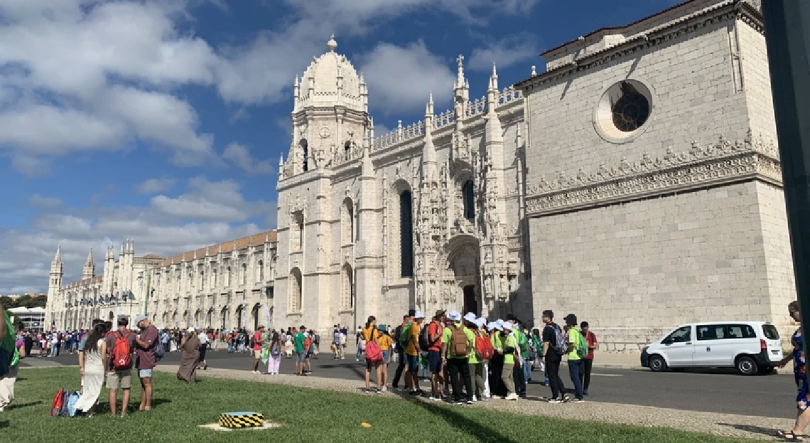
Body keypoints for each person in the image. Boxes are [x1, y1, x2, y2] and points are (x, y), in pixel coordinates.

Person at [778, 301, 810, 441]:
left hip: (806, 370)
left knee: (805, 400)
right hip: (800, 370)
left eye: (792, 313)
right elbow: (798, 349)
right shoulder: (801, 328)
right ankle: (797, 429)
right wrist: (787, 359)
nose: (792, 317)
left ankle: (798, 432)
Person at [441, 311, 476, 405]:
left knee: (454, 377)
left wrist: (443, 356)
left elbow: (444, 344)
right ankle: (469, 397)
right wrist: (468, 351)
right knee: (466, 376)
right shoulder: (464, 328)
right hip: (463, 356)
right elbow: (471, 340)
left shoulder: (447, 330)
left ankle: (457, 398)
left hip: (452, 356)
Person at [74, 323, 108, 416]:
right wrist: (106, 368)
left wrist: (83, 367)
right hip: (98, 368)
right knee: (95, 391)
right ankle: (90, 411)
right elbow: (104, 357)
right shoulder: (102, 342)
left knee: (88, 390)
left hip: (88, 368)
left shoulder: (88, 342)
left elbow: (84, 355)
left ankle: (83, 408)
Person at [105, 316, 137, 417]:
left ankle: (113, 413)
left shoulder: (111, 335)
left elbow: (108, 350)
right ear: (127, 324)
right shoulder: (132, 335)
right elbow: (132, 349)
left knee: (113, 390)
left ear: (118, 324)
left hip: (113, 365)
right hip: (127, 366)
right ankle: (123, 413)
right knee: (126, 389)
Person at [0, 306, 24, 411]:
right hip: (10, 352)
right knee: (7, 378)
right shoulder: (18, 341)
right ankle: (4, 399)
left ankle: (3, 400)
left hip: (4, 349)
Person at [541, 310, 568, 403]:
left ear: (548, 318)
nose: (542, 318)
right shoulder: (557, 326)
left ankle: (555, 396)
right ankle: (564, 393)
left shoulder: (547, 329)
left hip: (550, 354)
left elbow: (546, 343)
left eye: (543, 316)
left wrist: (543, 355)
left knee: (551, 375)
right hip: (558, 353)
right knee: (555, 374)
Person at [134, 315, 159, 412]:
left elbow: (146, 345)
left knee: (147, 383)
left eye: (138, 324)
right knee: (142, 383)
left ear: (143, 321)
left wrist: (135, 339)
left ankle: (148, 405)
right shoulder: (144, 331)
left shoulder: (151, 330)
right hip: (141, 359)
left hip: (147, 359)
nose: (138, 327)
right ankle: (142, 404)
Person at [563, 314, 585, 402]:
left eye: (567, 321)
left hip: (573, 357)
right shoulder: (577, 331)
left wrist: (566, 351)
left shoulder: (572, 331)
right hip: (579, 356)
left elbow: (572, 344)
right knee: (577, 377)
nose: (566, 322)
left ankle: (579, 396)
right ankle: (579, 394)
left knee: (574, 377)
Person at [427, 310, 446, 401]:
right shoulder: (433, 325)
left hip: (439, 350)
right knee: (434, 372)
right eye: (442, 315)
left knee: (438, 371)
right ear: (439, 316)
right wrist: (440, 334)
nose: (444, 317)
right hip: (433, 350)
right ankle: (433, 393)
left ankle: (437, 392)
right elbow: (432, 338)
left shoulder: (440, 326)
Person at [405, 311, 425, 395]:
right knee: (411, 370)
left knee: (415, 370)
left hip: (414, 350)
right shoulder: (413, 326)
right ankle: (410, 388)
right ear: (418, 319)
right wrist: (419, 349)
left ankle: (416, 387)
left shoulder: (416, 326)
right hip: (412, 350)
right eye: (421, 319)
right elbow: (414, 339)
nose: (422, 320)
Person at [362, 316, 383, 393]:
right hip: (374, 350)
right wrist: (380, 350)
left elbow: (365, 338)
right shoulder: (374, 330)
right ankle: (378, 388)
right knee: (378, 369)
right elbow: (376, 340)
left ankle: (367, 388)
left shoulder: (364, 329)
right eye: (375, 321)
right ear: (373, 321)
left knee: (368, 369)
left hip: (368, 349)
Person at [581, 321, 597, 396]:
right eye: (583, 329)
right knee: (580, 373)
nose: (585, 331)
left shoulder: (591, 335)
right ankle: (579, 387)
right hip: (581, 356)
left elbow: (595, 346)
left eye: (586, 329)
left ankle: (585, 388)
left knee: (587, 374)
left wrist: (589, 346)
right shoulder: (579, 334)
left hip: (589, 356)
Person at [377, 325, 393, 389]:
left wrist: (389, 357)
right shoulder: (378, 338)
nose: (378, 331)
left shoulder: (387, 337)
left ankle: (385, 385)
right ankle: (381, 382)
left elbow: (390, 348)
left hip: (386, 352)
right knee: (380, 371)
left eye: (379, 330)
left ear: (383, 331)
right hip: (380, 352)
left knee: (384, 370)